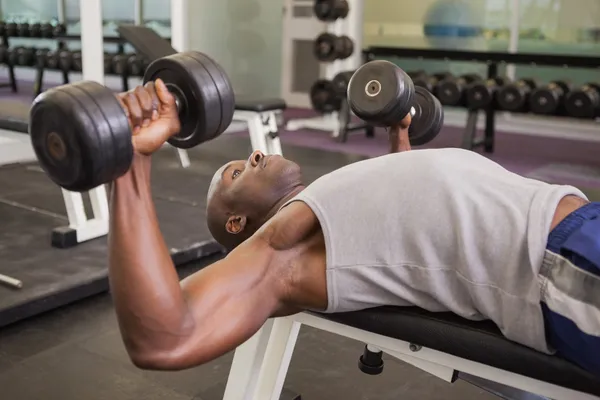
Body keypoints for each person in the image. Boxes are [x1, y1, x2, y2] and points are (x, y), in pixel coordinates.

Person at [109, 81, 600, 377]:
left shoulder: (320, 212)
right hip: (561, 262)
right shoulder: (281, 248)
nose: (255, 153)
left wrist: (398, 138)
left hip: (577, 226)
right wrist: (130, 163)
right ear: (237, 222)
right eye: (239, 171)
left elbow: (407, 221)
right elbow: (163, 338)